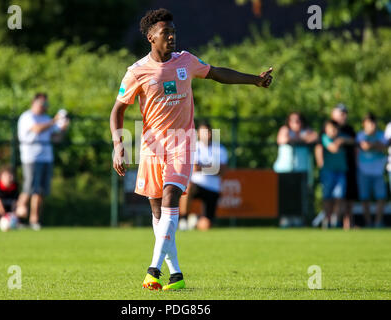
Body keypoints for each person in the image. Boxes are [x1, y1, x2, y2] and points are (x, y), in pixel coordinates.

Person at [110, 8, 273, 291]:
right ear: (151, 37)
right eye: (165, 33)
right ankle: (176, 274)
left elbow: (217, 73)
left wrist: (254, 79)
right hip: (151, 148)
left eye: (173, 32)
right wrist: (118, 145)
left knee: (172, 197)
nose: (172, 37)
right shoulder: (136, 72)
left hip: (182, 144)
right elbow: (117, 111)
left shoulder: (185, 60)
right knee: (158, 212)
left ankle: (153, 269)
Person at [16, 93, 69, 231]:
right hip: (31, 158)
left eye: (46, 104)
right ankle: (18, 218)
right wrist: (54, 120)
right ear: (34, 102)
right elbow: (37, 129)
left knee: (40, 191)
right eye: (43, 104)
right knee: (28, 189)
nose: (45, 107)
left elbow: (56, 139)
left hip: (46, 158)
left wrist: (63, 129)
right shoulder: (27, 117)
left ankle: (34, 220)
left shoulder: (46, 118)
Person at [179, 121, 229, 231]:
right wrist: (212, 167)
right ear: (198, 133)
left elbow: (222, 171)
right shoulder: (193, 147)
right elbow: (194, 169)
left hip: (213, 189)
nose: (206, 135)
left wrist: (202, 167)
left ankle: (194, 222)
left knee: (206, 225)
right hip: (197, 185)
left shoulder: (220, 149)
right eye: (203, 132)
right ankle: (183, 219)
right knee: (188, 187)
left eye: (208, 132)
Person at [356, 113, 387, 228]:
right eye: (369, 123)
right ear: (364, 124)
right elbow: (364, 146)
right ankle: (368, 222)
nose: (372, 126)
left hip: (378, 171)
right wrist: (375, 145)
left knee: (381, 197)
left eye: (374, 123)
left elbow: (382, 146)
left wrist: (372, 145)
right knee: (365, 198)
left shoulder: (381, 135)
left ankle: (378, 222)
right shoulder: (360, 135)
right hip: (363, 170)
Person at [329, 104, 357, 229]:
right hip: (333, 168)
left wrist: (344, 140)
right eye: (341, 113)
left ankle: (348, 223)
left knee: (349, 195)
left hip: (349, 166)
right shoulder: (328, 128)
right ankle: (333, 222)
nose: (344, 116)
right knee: (334, 196)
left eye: (345, 113)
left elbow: (355, 142)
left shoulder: (349, 129)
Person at [318, 120, 348, 228]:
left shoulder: (342, 136)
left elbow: (353, 140)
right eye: (331, 128)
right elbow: (333, 148)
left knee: (339, 196)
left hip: (340, 171)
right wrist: (339, 141)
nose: (333, 131)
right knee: (327, 197)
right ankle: (327, 219)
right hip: (328, 172)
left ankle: (336, 220)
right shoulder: (324, 138)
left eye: (335, 128)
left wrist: (343, 139)